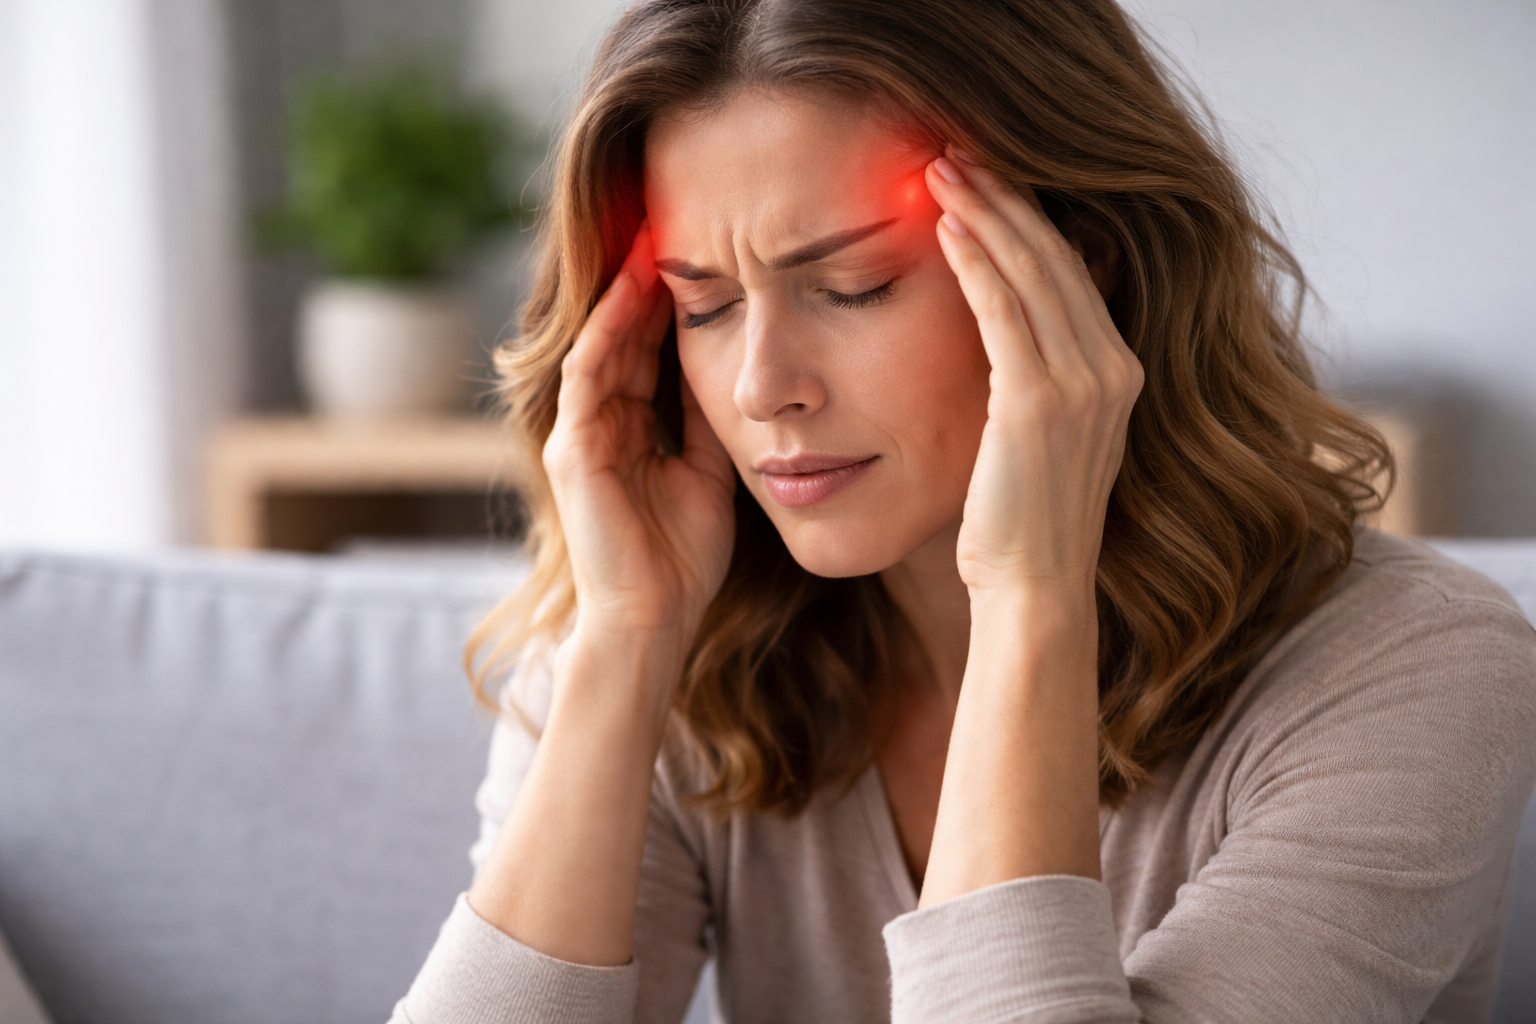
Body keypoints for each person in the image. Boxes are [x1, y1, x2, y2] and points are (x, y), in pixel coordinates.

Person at [392, 1, 1536, 1021]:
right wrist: (624, 644)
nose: (760, 387)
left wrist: (1030, 598)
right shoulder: (663, 643)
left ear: (1081, 267)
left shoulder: (1420, 670)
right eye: (705, 306)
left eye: (851, 287)